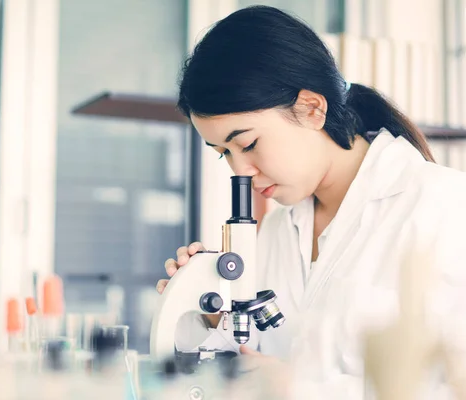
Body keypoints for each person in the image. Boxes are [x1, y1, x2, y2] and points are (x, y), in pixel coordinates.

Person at [155, 5, 466, 399]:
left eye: (248, 143)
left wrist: (299, 388)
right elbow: (258, 364)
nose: (241, 171)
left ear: (311, 108)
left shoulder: (446, 208)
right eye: (224, 153)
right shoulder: (279, 228)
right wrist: (211, 312)